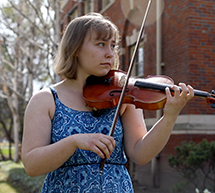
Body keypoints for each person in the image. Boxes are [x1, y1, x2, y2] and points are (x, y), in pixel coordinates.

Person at [21, 12, 194, 192]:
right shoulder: (46, 99)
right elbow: (32, 166)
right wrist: (73, 142)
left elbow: (141, 154)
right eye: (101, 44)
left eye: (113, 46)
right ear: (75, 49)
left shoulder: (122, 95)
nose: (110, 53)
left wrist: (170, 116)